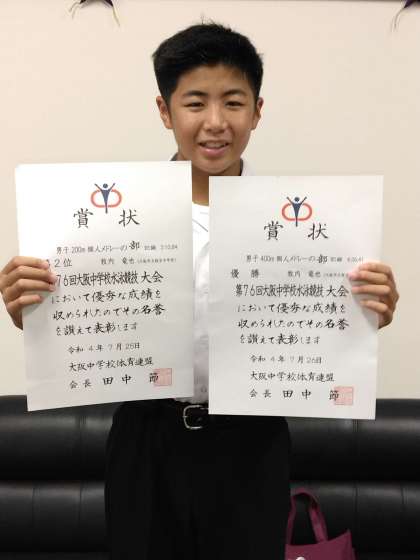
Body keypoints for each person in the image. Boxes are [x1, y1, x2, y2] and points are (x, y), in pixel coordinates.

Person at [0, 22, 399, 560]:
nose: (215, 122)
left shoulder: (309, 229)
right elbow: (72, 329)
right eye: (195, 103)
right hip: (147, 437)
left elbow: (332, 334)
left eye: (233, 102)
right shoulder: (107, 222)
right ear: (165, 111)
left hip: (250, 442)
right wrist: (31, 310)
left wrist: (367, 312)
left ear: (257, 111)